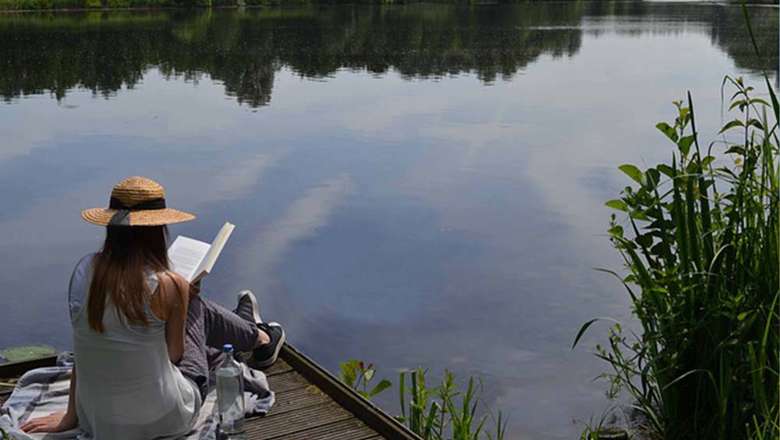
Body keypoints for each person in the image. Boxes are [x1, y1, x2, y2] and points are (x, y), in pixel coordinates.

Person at [19, 176, 285, 438]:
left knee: (186, 306)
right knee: (195, 305)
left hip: (98, 419)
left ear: (111, 226)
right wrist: (182, 300)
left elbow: (82, 344)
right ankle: (260, 338)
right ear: (158, 229)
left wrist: (72, 415)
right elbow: (175, 356)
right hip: (166, 418)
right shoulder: (169, 284)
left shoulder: (83, 270)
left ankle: (252, 333)